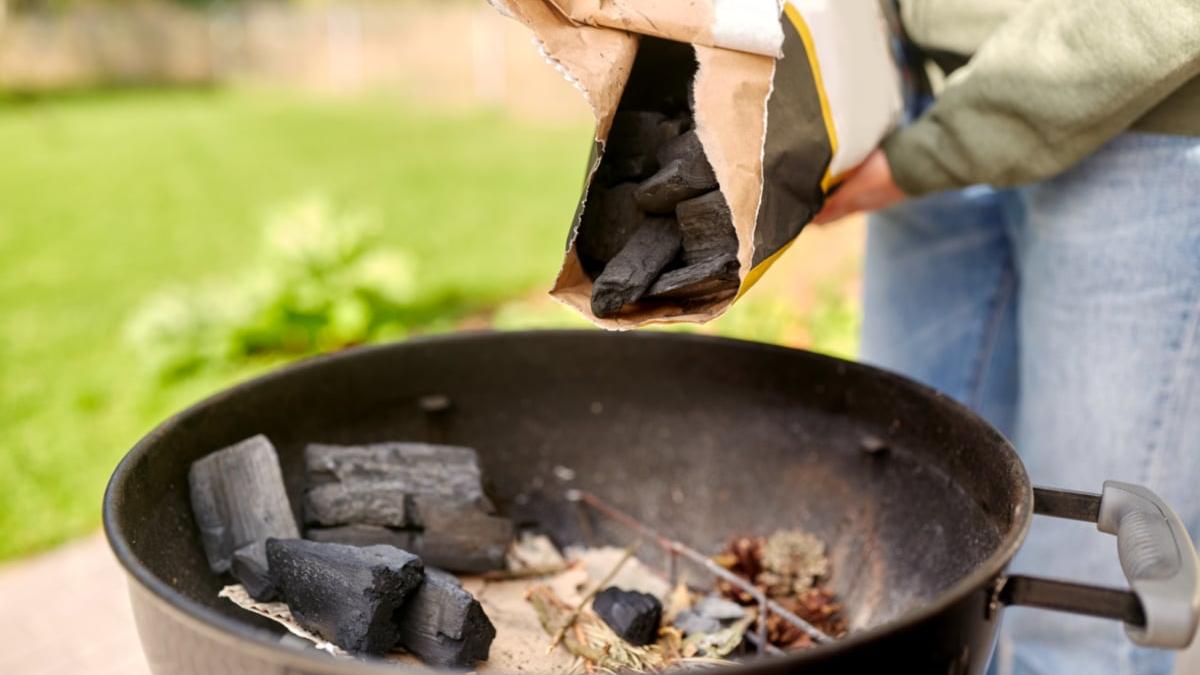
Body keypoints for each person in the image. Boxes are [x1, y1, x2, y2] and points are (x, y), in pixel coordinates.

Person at [812, 2, 1200, 674]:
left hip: (1143, 115)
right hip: (924, 99)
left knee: (1074, 633)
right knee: (904, 565)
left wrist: (940, 148)